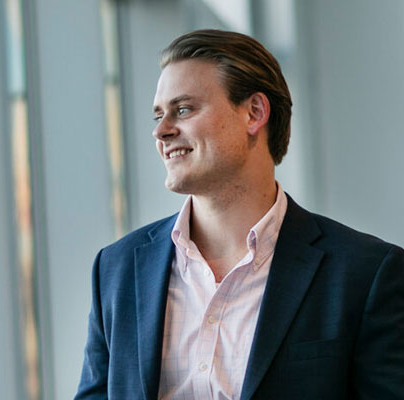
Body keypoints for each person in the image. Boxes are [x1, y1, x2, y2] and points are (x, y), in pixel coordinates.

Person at [75, 29, 404, 400]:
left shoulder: (367, 273)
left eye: (183, 109)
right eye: (158, 116)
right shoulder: (117, 269)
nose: (162, 131)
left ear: (254, 112)